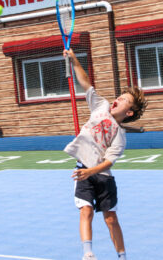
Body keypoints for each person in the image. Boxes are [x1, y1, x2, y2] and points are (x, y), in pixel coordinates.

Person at [63, 49, 147, 260]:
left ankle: (122, 256)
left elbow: (109, 161)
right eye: (120, 95)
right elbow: (85, 83)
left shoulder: (120, 135)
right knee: (86, 211)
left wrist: (93, 171)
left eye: (125, 99)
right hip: (83, 170)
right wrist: (73, 61)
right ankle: (88, 254)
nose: (118, 98)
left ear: (129, 113)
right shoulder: (100, 106)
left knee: (111, 219)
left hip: (101, 175)